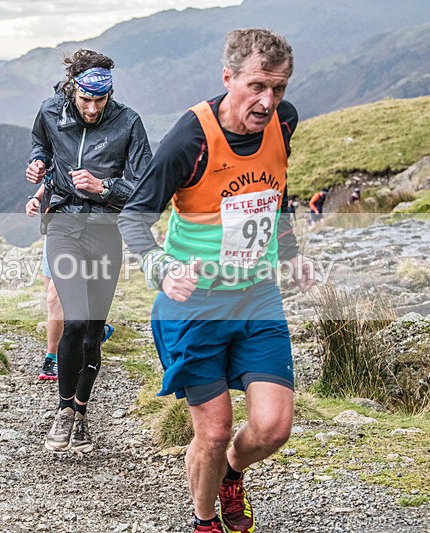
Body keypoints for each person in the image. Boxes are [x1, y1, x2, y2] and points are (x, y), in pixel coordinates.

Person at [118, 29, 316, 533]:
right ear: (227, 78)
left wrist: (289, 252)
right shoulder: (191, 137)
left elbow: (278, 192)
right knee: (214, 430)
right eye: (256, 87)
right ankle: (206, 521)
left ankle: (231, 472)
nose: (268, 102)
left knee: (273, 428)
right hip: (194, 305)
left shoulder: (284, 122)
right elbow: (133, 217)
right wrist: (161, 268)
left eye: (279, 88)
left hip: (256, 296)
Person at [25, 49, 152, 452]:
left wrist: (106, 187)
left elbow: (148, 190)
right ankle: (62, 413)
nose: (93, 108)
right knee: (75, 321)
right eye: (85, 100)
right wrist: (38, 163)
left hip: (105, 230)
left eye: (101, 100)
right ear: (72, 89)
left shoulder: (129, 123)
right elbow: (40, 144)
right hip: (64, 225)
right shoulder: (50, 112)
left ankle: (81, 412)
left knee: (94, 332)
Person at [24, 187, 115, 381]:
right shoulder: (53, 156)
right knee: (55, 296)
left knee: (55, 296)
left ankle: (53, 357)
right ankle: (95, 333)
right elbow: (54, 173)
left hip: (85, 226)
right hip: (56, 224)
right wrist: (36, 198)